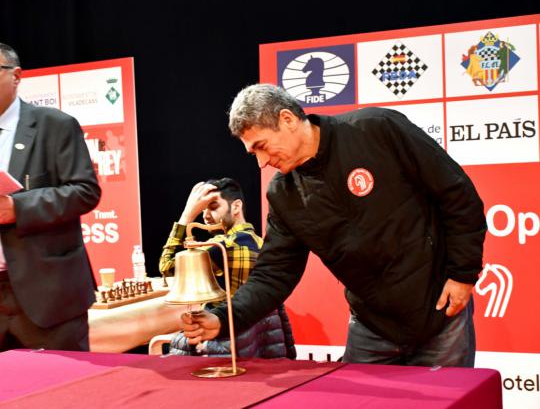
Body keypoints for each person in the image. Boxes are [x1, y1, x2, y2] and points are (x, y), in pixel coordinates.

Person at [180, 84, 486, 367]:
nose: (261, 162)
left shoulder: (376, 129)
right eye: (253, 153)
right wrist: (224, 318)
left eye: (262, 146)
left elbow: (458, 195)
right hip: (371, 326)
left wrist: (462, 274)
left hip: (441, 315)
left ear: (287, 119)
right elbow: (273, 274)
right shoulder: (282, 194)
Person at [0, 42, 101, 356]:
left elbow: (85, 192)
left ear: (17, 76)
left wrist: (18, 207)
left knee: (61, 395)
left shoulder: (55, 125)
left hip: (49, 295)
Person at [160, 178, 295, 358]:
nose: (205, 215)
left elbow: (166, 265)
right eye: (202, 209)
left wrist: (187, 215)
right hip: (260, 337)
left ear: (236, 207)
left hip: (225, 339)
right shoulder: (261, 242)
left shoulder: (221, 247)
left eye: (213, 206)